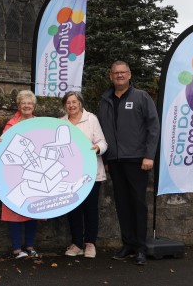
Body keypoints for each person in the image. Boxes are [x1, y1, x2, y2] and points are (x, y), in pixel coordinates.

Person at [97, 61, 160, 265]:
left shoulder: (141, 97)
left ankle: (141, 248)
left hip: (137, 160)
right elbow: (102, 133)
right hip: (115, 161)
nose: (119, 75)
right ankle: (128, 244)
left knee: (138, 204)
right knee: (122, 204)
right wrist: (106, 159)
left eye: (123, 72)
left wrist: (149, 155)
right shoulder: (104, 100)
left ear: (130, 75)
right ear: (110, 76)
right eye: (116, 73)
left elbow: (153, 127)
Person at [0, 90, 41, 259]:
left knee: (33, 210)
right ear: (19, 106)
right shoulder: (11, 124)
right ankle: (16, 248)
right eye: (23, 103)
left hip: (35, 171)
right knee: (14, 209)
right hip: (15, 174)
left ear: (33, 106)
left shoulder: (39, 123)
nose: (26, 106)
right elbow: (3, 148)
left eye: (29, 103)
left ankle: (29, 245)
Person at [60, 91, 107, 259]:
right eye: (68, 103)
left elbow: (103, 142)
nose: (71, 105)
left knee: (90, 209)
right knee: (73, 209)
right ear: (65, 105)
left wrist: (97, 148)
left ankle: (90, 244)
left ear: (80, 103)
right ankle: (77, 244)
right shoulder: (61, 123)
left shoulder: (91, 119)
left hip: (91, 173)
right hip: (70, 176)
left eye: (74, 102)